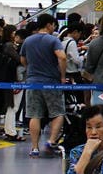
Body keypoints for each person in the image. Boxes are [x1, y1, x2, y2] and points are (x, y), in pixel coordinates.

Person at [20, 13, 68, 157]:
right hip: (50, 82)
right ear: (48, 25)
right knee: (58, 112)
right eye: (53, 25)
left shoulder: (28, 41)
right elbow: (62, 57)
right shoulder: (53, 40)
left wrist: (31, 69)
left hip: (32, 82)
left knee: (35, 115)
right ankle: (51, 141)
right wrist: (63, 76)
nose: (54, 27)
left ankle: (34, 148)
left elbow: (23, 59)